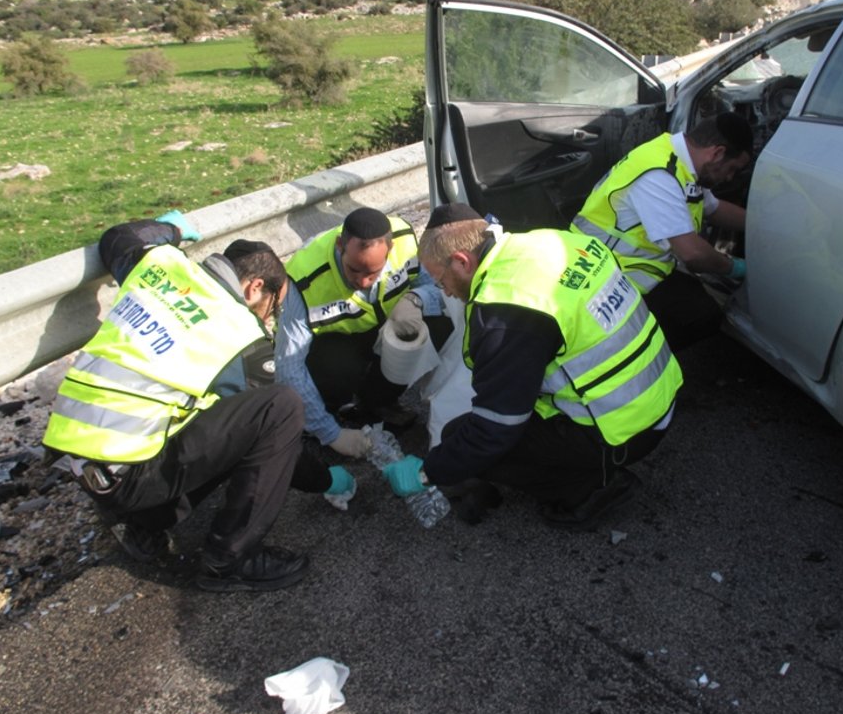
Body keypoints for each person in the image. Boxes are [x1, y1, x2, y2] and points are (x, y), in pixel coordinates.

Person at [43, 210, 348, 592]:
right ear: (255, 287)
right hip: (129, 475)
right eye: (275, 305)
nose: (271, 318)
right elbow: (270, 440)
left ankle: (142, 526)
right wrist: (324, 480)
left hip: (79, 454)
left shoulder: (162, 267)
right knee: (279, 407)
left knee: (195, 414)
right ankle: (229, 559)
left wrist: (172, 230)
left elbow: (118, 237)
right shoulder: (243, 340)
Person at [379, 203, 682, 528]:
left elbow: (494, 429)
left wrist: (429, 471)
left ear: (462, 262)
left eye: (441, 281)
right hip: (658, 394)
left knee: (465, 436)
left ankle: (591, 489)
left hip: (622, 430)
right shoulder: (549, 241)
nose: (448, 292)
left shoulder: (506, 308)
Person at [570, 113, 753, 350]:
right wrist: (735, 268)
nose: (730, 178)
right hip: (604, 275)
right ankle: (629, 353)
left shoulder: (680, 162)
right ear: (717, 153)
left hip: (630, 266)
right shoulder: (659, 173)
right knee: (700, 314)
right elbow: (693, 255)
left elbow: (714, 209)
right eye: (732, 169)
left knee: (696, 299)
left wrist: (761, 227)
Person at [275, 207, 446, 457]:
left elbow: (439, 289)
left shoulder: (404, 242)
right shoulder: (304, 278)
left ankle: (378, 402)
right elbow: (288, 367)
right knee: (338, 367)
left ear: (390, 250)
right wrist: (330, 433)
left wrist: (416, 298)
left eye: (373, 271)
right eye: (354, 269)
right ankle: (324, 415)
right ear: (340, 246)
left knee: (437, 324)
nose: (364, 282)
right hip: (335, 347)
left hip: (384, 327)